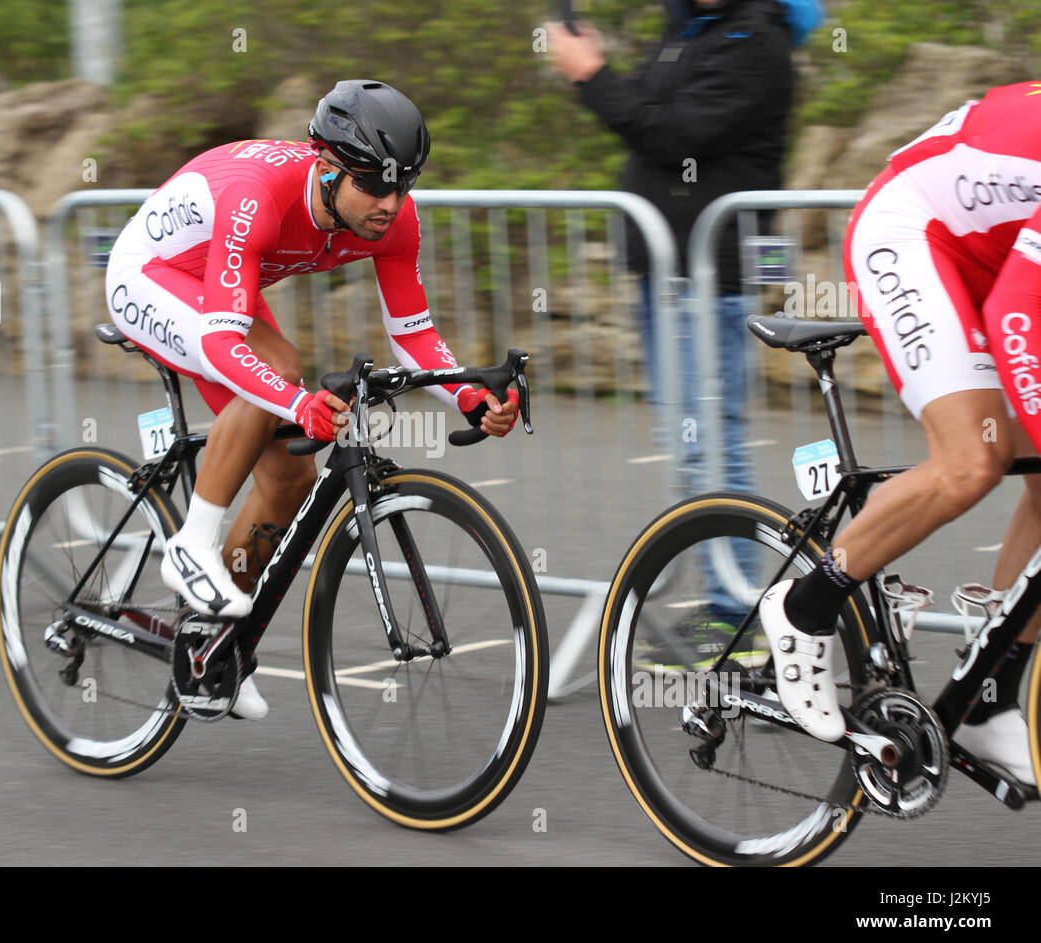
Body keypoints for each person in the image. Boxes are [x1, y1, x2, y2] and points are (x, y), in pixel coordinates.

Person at [104, 80, 520, 718]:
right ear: (327, 170)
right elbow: (222, 344)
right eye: (374, 186)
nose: (389, 203)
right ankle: (192, 546)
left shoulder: (393, 219)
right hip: (151, 274)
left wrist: (467, 397)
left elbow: (413, 334)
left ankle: (209, 644)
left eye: (402, 184)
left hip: (214, 280)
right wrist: (299, 406)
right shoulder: (257, 198)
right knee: (282, 369)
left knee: (291, 475)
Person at [756, 82, 1041, 785]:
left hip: (999, 253)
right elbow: (1017, 314)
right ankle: (804, 604)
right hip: (912, 233)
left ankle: (987, 697)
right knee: (974, 461)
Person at [548, 0, 818, 670]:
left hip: (710, 276)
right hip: (668, 274)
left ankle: (739, 618)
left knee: (714, 441)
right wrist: (605, 72)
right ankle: (718, 601)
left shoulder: (754, 40)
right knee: (687, 442)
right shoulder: (689, 29)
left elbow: (671, 135)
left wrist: (590, 74)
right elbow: (648, 111)